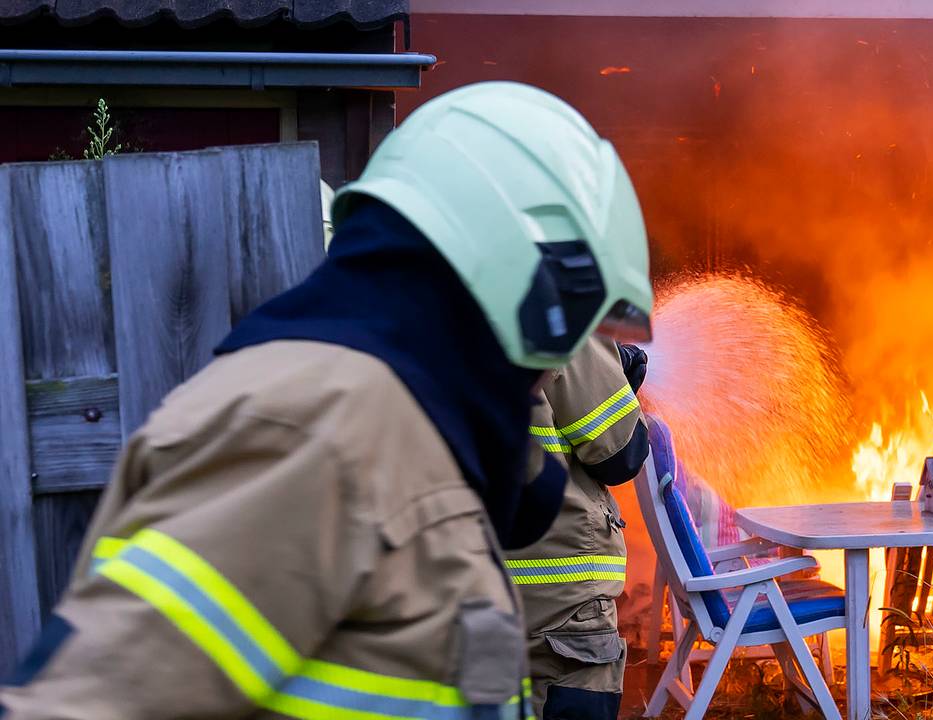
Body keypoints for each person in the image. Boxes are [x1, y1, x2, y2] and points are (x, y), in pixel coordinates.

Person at [0, 81, 653, 720]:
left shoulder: (410, 436)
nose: (553, 371)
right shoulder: (309, 433)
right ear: (497, 274)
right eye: (565, 320)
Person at [508, 339, 649, 719]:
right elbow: (620, 454)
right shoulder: (553, 308)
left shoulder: (406, 299)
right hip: (557, 600)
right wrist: (620, 381)